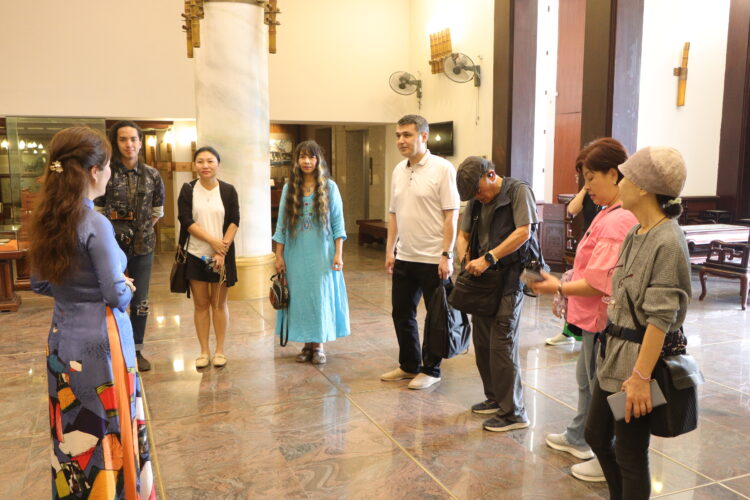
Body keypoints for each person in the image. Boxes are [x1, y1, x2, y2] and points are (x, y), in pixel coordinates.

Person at [29, 127, 154, 499]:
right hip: (101, 342)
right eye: (109, 165)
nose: (111, 172)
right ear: (94, 171)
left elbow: (39, 284)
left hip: (62, 338)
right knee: (105, 424)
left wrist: (73, 293)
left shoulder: (49, 217)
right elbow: (114, 293)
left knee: (72, 425)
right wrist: (126, 285)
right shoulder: (95, 223)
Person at [585, 147, 691, 499]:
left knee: (630, 453)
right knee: (596, 436)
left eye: (627, 176)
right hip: (614, 357)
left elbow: (661, 319)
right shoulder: (636, 232)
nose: (621, 182)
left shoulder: (668, 240)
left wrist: (641, 378)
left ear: (644, 187)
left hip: (639, 363)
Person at [529, 138, 637, 481]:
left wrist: (558, 286)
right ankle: (580, 435)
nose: (587, 187)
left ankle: (607, 455)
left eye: (591, 178)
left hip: (604, 319)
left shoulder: (619, 219)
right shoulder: (609, 211)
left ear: (614, 174)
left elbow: (600, 282)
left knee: (602, 386)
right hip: (593, 318)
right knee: (587, 381)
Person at [455, 156, 539, 432]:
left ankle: (514, 412)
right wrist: (464, 257)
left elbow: (524, 232)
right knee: (482, 340)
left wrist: (489, 257)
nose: (478, 198)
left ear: (491, 175)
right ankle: (494, 398)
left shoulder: (518, 191)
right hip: (483, 279)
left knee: (502, 342)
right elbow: (463, 234)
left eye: (479, 192)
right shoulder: (475, 198)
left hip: (510, 278)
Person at [380, 115, 460, 390]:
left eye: (407, 135)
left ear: (423, 136)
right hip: (405, 256)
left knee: (436, 318)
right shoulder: (398, 170)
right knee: (401, 313)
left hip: (433, 259)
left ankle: (431, 369)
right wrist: (390, 250)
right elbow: (393, 214)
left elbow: (451, 215)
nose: (401, 140)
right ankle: (409, 365)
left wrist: (447, 255)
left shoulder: (443, 168)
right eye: (398, 135)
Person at [94, 121, 165, 372]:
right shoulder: (105, 172)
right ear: (116, 143)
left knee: (140, 300)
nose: (129, 144)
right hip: (111, 247)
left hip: (143, 247)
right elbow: (97, 210)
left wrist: (140, 228)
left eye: (133, 139)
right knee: (112, 295)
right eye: (123, 139)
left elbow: (157, 211)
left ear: (140, 142)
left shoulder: (152, 175)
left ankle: (136, 350)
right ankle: (113, 348)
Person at [273, 140, 349, 363]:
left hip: (322, 254)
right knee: (300, 297)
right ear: (297, 161)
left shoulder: (330, 187)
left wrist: (338, 254)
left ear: (318, 160)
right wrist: (279, 255)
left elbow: (338, 224)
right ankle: (307, 345)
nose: (307, 161)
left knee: (320, 296)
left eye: (311, 157)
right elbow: (281, 225)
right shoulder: (289, 188)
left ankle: (319, 346)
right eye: (302, 157)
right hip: (295, 254)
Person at [177, 146, 240, 368]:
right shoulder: (188, 189)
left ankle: (220, 350)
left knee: (219, 304)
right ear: (194, 165)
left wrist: (220, 249)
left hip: (221, 256)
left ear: (218, 164)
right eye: (200, 161)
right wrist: (212, 242)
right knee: (201, 304)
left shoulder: (228, 190)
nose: (205, 165)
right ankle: (204, 351)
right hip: (196, 254)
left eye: (210, 161)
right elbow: (186, 221)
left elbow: (234, 221)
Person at [545, 161, 602, 346]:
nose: (583, 179)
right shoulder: (588, 193)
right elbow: (572, 209)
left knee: (587, 291)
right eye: (583, 176)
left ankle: (587, 335)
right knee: (575, 287)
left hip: (599, 248)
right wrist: (585, 188)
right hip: (586, 242)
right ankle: (568, 332)